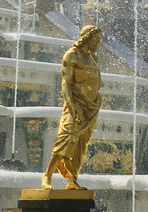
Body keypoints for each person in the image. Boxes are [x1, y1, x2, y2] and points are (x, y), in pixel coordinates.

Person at [42, 25, 103, 190]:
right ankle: (47, 176)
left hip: (91, 107)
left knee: (81, 144)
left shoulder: (94, 59)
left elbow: (97, 81)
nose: (98, 43)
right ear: (87, 38)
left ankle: (72, 179)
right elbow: (65, 83)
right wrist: (71, 105)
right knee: (67, 139)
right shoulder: (72, 55)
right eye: (96, 40)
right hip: (75, 103)